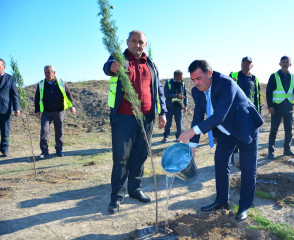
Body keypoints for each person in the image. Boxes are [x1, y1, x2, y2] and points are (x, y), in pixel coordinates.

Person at [178, 60, 263, 221]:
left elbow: (218, 116)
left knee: (247, 168)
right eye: (193, 79)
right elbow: (198, 116)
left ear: (209, 73)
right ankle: (222, 201)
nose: (196, 83)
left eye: (199, 78)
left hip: (244, 126)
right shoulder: (197, 91)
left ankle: (244, 206)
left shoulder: (226, 83)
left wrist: (191, 132)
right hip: (224, 131)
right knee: (221, 163)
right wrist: (193, 144)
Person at [103, 30, 167, 214]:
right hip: (123, 118)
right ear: (127, 42)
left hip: (146, 119)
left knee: (140, 156)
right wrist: (112, 67)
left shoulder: (151, 64)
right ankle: (116, 197)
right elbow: (108, 67)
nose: (137, 45)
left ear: (145, 44)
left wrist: (162, 112)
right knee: (121, 158)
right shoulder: (119, 58)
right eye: (134, 41)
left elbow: (158, 89)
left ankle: (135, 189)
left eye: (141, 42)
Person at [266, 56, 294, 160]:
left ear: (290, 64)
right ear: (280, 64)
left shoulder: (293, 77)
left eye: (287, 62)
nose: (285, 63)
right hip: (276, 107)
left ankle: (287, 149)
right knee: (274, 130)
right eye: (283, 62)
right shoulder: (274, 76)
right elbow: (269, 92)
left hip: (289, 108)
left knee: (289, 130)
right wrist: (270, 106)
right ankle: (271, 151)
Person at [35, 65, 76, 159]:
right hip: (46, 112)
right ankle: (44, 151)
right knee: (44, 131)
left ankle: (59, 150)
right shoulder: (41, 84)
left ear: (54, 72)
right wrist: (37, 110)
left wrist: (72, 106)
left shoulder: (61, 82)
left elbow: (69, 95)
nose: (47, 74)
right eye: (45, 72)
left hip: (59, 111)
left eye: (49, 72)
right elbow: (37, 97)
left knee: (59, 131)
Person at [0, 59, 20, 157]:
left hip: (5, 109)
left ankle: (5, 149)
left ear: (4, 67)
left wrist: (17, 108)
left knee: (5, 130)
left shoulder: (10, 78)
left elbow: (14, 94)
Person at [162, 70, 187, 143]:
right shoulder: (168, 83)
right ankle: (165, 137)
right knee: (168, 123)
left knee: (179, 123)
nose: (182, 77)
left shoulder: (182, 83)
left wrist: (185, 106)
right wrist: (176, 96)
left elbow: (185, 95)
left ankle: (178, 137)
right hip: (169, 106)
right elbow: (166, 94)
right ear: (175, 76)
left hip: (179, 107)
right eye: (180, 76)